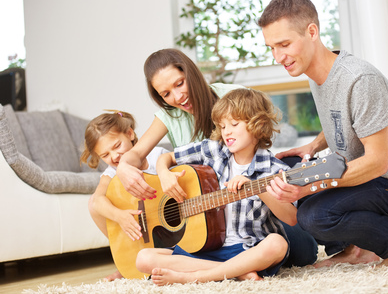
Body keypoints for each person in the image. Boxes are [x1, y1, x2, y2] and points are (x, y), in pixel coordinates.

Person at [258, 0, 388, 267]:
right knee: (295, 169)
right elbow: (345, 121)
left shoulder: (359, 79)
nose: (278, 56)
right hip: (370, 178)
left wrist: (309, 189)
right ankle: (355, 249)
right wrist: (313, 146)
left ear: (312, 32)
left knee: (313, 216)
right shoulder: (318, 75)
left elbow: (378, 161)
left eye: (284, 44)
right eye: (271, 47)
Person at [135, 88, 298, 285]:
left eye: (234, 124)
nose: (226, 131)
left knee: (277, 244)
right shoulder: (213, 150)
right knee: (143, 258)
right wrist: (164, 174)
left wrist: (256, 188)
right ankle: (236, 273)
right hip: (206, 249)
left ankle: (194, 277)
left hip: (247, 249)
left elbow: (291, 218)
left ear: (258, 124)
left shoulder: (274, 169)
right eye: (222, 126)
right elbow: (167, 157)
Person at [115, 48, 243, 201]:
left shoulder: (233, 95)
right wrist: (122, 167)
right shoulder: (169, 115)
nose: (178, 97)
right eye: (166, 94)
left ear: (191, 74)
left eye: (180, 83)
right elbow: (136, 154)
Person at [80, 110, 169, 281]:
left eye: (116, 146)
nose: (114, 157)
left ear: (129, 133)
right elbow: (97, 202)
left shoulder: (157, 155)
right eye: (105, 155)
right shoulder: (111, 173)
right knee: (94, 203)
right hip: (143, 233)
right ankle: (127, 263)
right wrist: (119, 216)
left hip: (172, 229)